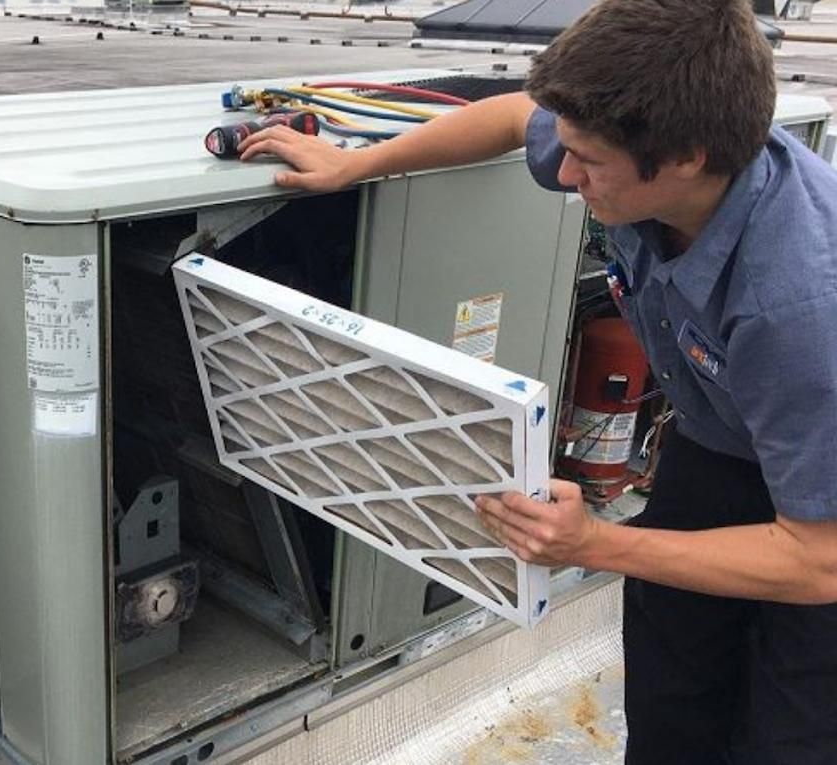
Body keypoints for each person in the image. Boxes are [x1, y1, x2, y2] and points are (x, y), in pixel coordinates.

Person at [238, 0, 837, 762]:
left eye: (587, 161)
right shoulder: (638, 138)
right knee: (672, 693)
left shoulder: (798, 303)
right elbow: (514, 116)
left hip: (822, 511)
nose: (562, 170)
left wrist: (599, 542)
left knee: (794, 731)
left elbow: (819, 560)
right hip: (722, 439)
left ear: (686, 156)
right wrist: (359, 163)